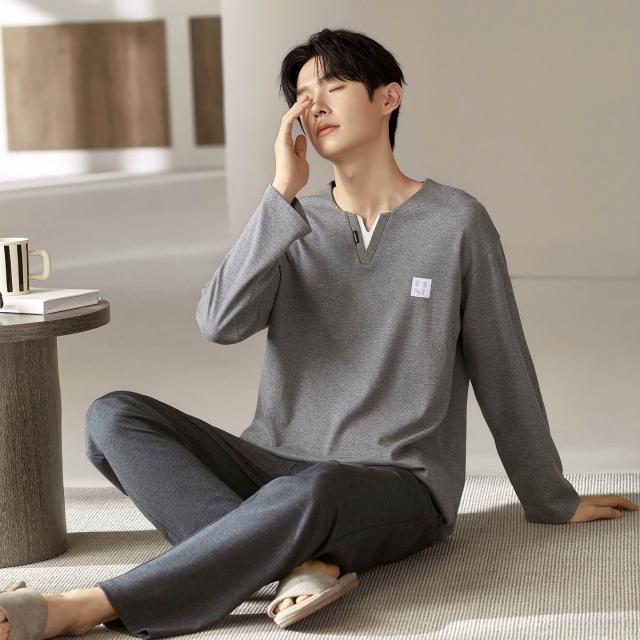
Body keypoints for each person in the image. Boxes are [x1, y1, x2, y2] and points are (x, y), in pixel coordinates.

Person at [1, 27, 636, 640]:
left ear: (389, 96)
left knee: (317, 486)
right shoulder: (290, 222)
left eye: (334, 85)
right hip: (277, 467)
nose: (316, 105)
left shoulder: (456, 223)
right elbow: (219, 322)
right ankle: (296, 560)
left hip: (395, 483)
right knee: (112, 417)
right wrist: (281, 193)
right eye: (304, 96)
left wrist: (549, 497)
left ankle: (90, 605)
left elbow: (502, 363)